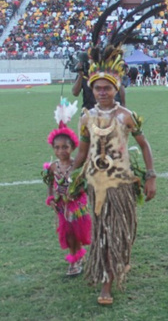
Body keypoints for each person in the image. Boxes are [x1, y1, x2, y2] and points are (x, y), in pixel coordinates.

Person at [73, 0, 162, 305]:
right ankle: (105, 278)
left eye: (107, 87)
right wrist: (65, 173)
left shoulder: (126, 115)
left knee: (120, 229)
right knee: (103, 230)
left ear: (116, 87)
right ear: (92, 88)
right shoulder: (85, 118)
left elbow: (145, 145)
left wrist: (150, 176)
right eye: (97, 87)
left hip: (122, 184)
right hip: (96, 184)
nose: (102, 91)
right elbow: (82, 154)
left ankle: (115, 268)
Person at [43, 98, 91, 276]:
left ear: (72, 147)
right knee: (68, 233)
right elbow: (49, 182)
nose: (61, 150)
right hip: (62, 206)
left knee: (77, 232)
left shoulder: (76, 165)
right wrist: (50, 198)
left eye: (65, 147)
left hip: (77, 205)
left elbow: (85, 183)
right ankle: (75, 257)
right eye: (57, 147)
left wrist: (76, 193)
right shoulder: (53, 166)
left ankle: (77, 257)